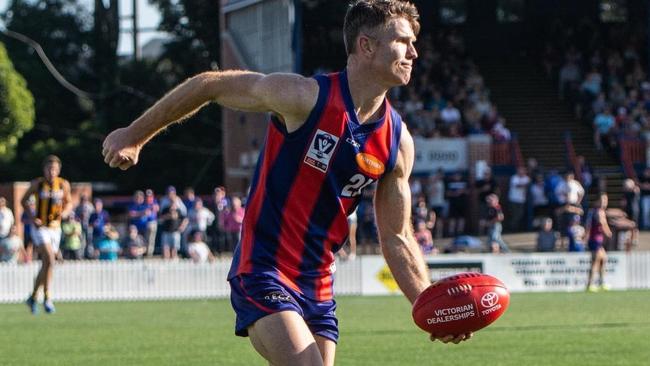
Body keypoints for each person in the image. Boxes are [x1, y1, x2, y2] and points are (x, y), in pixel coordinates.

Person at [101, 1, 470, 364]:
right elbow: (209, 85)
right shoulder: (304, 97)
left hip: (319, 282)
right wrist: (135, 135)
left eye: (413, 43)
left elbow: (397, 235)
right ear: (366, 45)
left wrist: (429, 305)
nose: (414, 52)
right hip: (264, 269)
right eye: (403, 41)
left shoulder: (397, 141)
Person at [21, 155, 72, 314]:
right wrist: (32, 217)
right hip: (41, 228)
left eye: (55, 169)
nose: (52, 172)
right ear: (44, 170)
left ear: (59, 170)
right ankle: (47, 297)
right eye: (49, 169)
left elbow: (69, 202)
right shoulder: (37, 184)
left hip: (56, 228)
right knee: (50, 258)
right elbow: (23, 201)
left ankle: (33, 296)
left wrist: (65, 212)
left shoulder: (63, 184)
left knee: (48, 264)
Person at [585, 193, 613, 292]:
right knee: (595, 262)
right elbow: (603, 223)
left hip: (598, 240)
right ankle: (590, 284)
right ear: (597, 202)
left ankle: (601, 282)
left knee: (603, 259)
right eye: (601, 200)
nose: (603, 203)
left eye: (605, 201)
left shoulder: (596, 212)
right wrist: (608, 232)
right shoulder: (598, 212)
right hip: (595, 240)